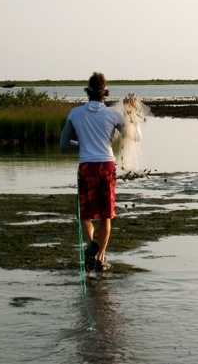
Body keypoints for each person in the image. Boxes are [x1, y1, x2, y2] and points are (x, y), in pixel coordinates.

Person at [60, 72, 127, 272]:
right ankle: (101, 258)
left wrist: (82, 145)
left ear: (87, 92)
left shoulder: (75, 113)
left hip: (87, 166)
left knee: (85, 214)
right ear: (104, 93)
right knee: (106, 215)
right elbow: (133, 136)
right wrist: (131, 116)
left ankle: (90, 245)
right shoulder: (113, 115)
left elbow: (63, 143)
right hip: (107, 166)